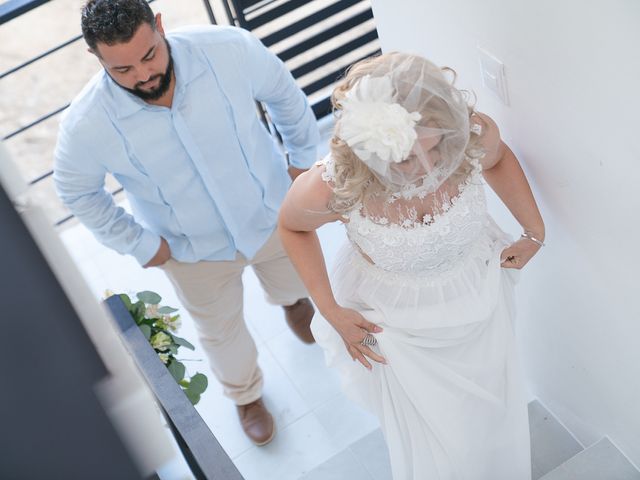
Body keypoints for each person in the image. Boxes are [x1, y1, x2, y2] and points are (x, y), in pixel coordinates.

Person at [54, 0, 321, 446]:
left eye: (149, 55)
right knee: (221, 335)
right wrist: (140, 244)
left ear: (159, 25)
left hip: (270, 210)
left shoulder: (229, 49)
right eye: (122, 69)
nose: (142, 76)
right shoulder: (86, 124)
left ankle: (293, 303)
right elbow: (77, 192)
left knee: (293, 279)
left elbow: (283, 93)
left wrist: (301, 162)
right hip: (190, 249)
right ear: (96, 57)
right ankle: (246, 395)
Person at [278, 52, 544, 479]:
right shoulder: (335, 182)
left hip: (480, 303)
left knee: (492, 416)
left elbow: (499, 158)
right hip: (397, 330)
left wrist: (533, 232)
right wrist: (329, 310)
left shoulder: (469, 136)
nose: (417, 170)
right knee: (440, 446)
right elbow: (291, 228)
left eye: (430, 150)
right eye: (397, 159)